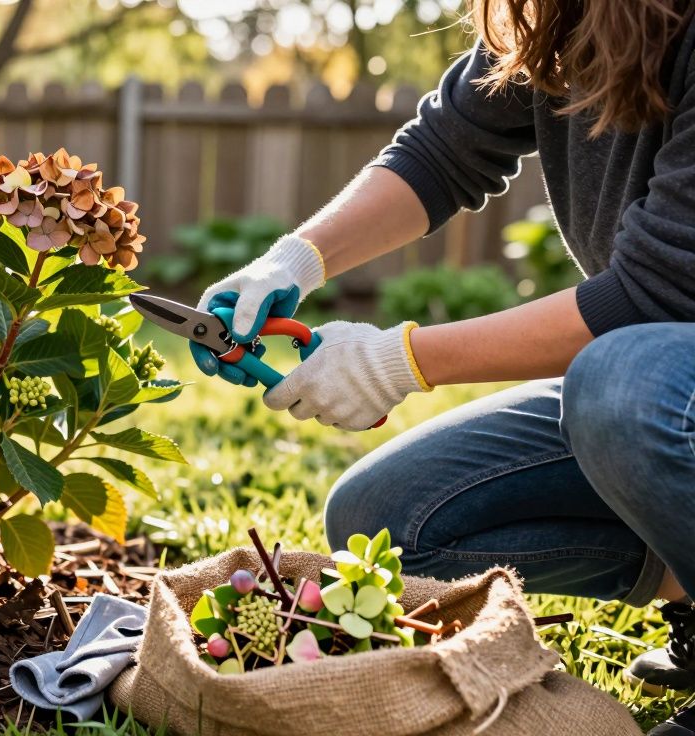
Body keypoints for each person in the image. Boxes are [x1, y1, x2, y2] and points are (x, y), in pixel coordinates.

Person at [191, 1, 695, 733]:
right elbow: (442, 151)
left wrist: (395, 362)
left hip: (660, 382)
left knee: (624, 385)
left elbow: (657, 292)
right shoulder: (567, 17)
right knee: (390, 518)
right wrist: (292, 260)